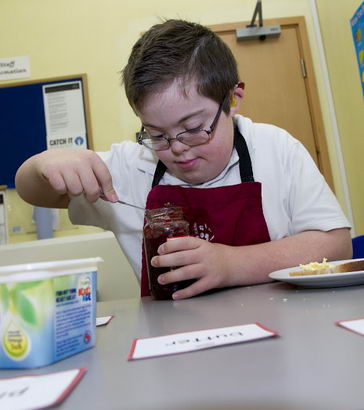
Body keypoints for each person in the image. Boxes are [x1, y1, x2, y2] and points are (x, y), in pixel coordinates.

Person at [15, 19, 352, 300]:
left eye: (193, 128)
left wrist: (232, 264)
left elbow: (335, 246)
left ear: (233, 99)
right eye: (157, 134)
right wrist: (44, 164)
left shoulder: (276, 148)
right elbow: (36, 191)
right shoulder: (133, 166)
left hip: (283, 335)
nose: (177, 148)